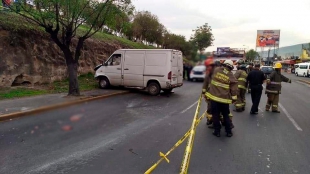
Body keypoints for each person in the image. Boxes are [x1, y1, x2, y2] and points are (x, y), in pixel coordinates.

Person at [206, 60, 238, 137]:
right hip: (224, 100)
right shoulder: (230, 74)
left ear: (223, 65)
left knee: (215, 115)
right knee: (226, 115)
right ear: (230, 67)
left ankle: (217, 132)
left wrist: (205, 92)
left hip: (214, 99)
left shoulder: (216, 70)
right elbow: (234, 87)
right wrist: (234, 98)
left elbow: (208, 78)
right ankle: (229, 132)